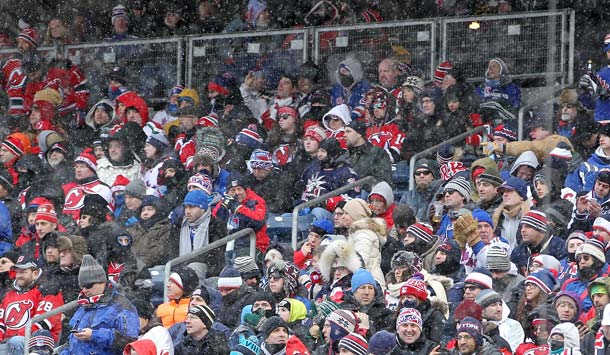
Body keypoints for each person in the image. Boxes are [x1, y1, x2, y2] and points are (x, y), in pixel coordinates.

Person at [62, 255, 139, 355]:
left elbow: (129, 340)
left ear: (102, 282)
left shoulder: (121, 305)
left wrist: (94, 335)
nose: (84, 290)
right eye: (82, 286)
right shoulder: (83, 305)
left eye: (88, 285)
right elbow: (71, 342)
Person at [0, 255, 63, 353]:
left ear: (35, 273)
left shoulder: (49, 290)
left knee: (16, 342)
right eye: (18, 272)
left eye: (23, 272)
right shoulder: (9, 294)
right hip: (9, 342)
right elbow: (1, 323)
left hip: (38, 343)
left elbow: (43, 323)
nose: (19, 275)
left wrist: (18, 335)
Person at [511, 210, 567, 275]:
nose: (522, 230)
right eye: (522, 227)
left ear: (540, 229)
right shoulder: (518, 251)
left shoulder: (560, 247)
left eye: (528, 227)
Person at [344, 120, 392, 190]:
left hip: (368, 197)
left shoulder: (378, 153)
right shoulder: (344, 155)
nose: (344, 135)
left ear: (359, 134)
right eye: (344, 132)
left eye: (348, 131)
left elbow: (384, 181)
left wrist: (360, 186)